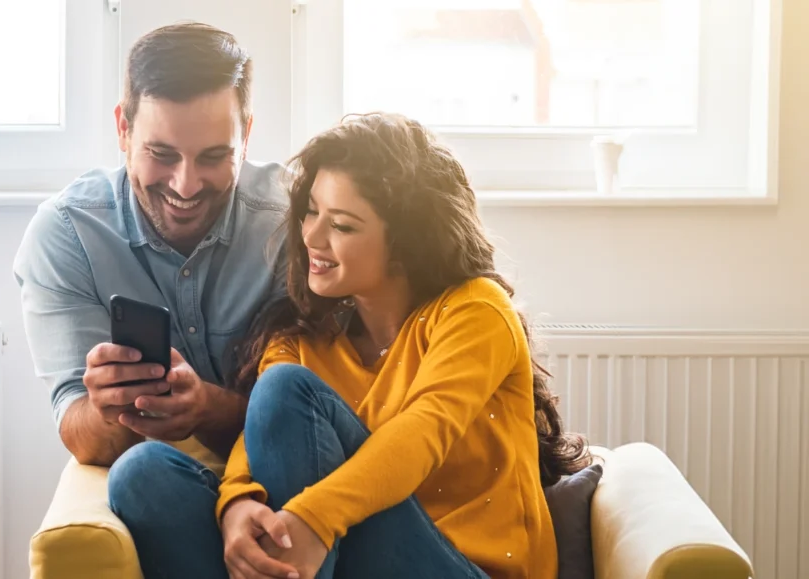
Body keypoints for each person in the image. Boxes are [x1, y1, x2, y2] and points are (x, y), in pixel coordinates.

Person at [114, 112, 590, 579]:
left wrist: (313, 518)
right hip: (346, 561)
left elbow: (423, 432)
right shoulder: (300, 338)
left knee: (283, 389)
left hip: (461, 566)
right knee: (143, 472)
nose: (312, 237)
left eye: (341, 225)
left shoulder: (475, 311)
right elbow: (252, 447)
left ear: (408, 241)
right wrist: (237, 503)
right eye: (311, 212)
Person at [13, 22, 286, 485]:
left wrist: (207, 407)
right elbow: (80, 434)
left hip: (277, 474)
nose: (186, 185)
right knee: (141, 475)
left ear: (247, 136)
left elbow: (313, 413)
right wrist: (108, 409)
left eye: (213, 157)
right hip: (159, 484)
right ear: (123, 128)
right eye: (162, 154)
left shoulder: (293, 223)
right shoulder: (66, 234)